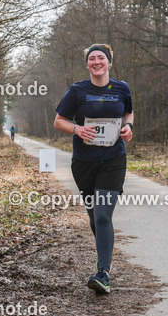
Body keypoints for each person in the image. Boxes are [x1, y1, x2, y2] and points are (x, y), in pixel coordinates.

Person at [53, 43, 133, 295]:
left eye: (101, 58)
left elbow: (128, 113)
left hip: (113, 159)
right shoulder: (78, 90)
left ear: (109, 63)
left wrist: (128, 128)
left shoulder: (121, 88)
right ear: (87, 64)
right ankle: (103, 260)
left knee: (102, 215)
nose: (96, 62)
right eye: (92, 59)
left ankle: (103, 273)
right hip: (84, 162)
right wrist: (77, 129)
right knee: (93, 216)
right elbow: (58, 121)